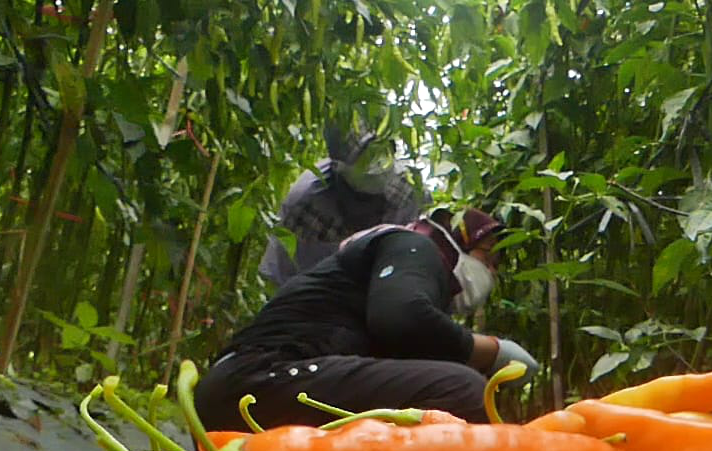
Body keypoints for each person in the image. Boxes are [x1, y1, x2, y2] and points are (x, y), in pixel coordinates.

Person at [196, 208, 540, 430]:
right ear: (458, 242)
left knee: (442, 391)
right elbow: (401, 317)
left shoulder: (405, 276)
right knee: (463, 390)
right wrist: (493, 350)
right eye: (489, 258)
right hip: (256, 382)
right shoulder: (413, 247)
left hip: (260, 390)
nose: (492, 273)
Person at [258, 127, 425, 286]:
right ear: (338, 166)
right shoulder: (306, 202)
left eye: (383, 150)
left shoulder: (409, 192)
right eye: (365, 157)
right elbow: (280, 277)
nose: (378, 164)